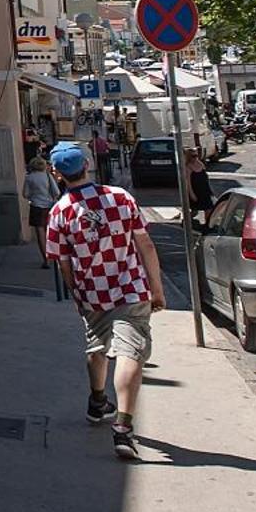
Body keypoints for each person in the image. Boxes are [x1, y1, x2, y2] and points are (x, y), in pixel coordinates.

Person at [42, 141, 166, 460]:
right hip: (130, 287)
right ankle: (123, 427)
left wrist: (76, 294)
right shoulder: (120, 197)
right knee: (130, 352)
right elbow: (146, 245)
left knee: (97, 346)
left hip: (92, 291)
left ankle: (98, 401)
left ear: (57, 174)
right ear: (87, 165)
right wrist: (157, 288)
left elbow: (63, 262)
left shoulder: (59, 212)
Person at [21, 158, 57, 263]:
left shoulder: (29, 178)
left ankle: (45, 259)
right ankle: (53, 254)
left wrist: (34, 195)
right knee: (50, 231)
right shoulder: (47, 176)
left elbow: (25, 194)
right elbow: (56, 191)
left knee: (40, 232)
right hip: (49, 205)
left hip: (36, 206)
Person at [184, 149, 214, 230]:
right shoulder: (188, 167)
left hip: (204, 189)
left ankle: (207, 226)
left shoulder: (200, 163)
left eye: (197, 155)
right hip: (196, 191)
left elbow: (205, 177)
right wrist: (191, 194)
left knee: (208, 209)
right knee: (195, 211)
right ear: (189, 157)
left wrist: (210, 189)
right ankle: (186, 221)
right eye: (193, 156)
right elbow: (188, 183)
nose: (196, 157)